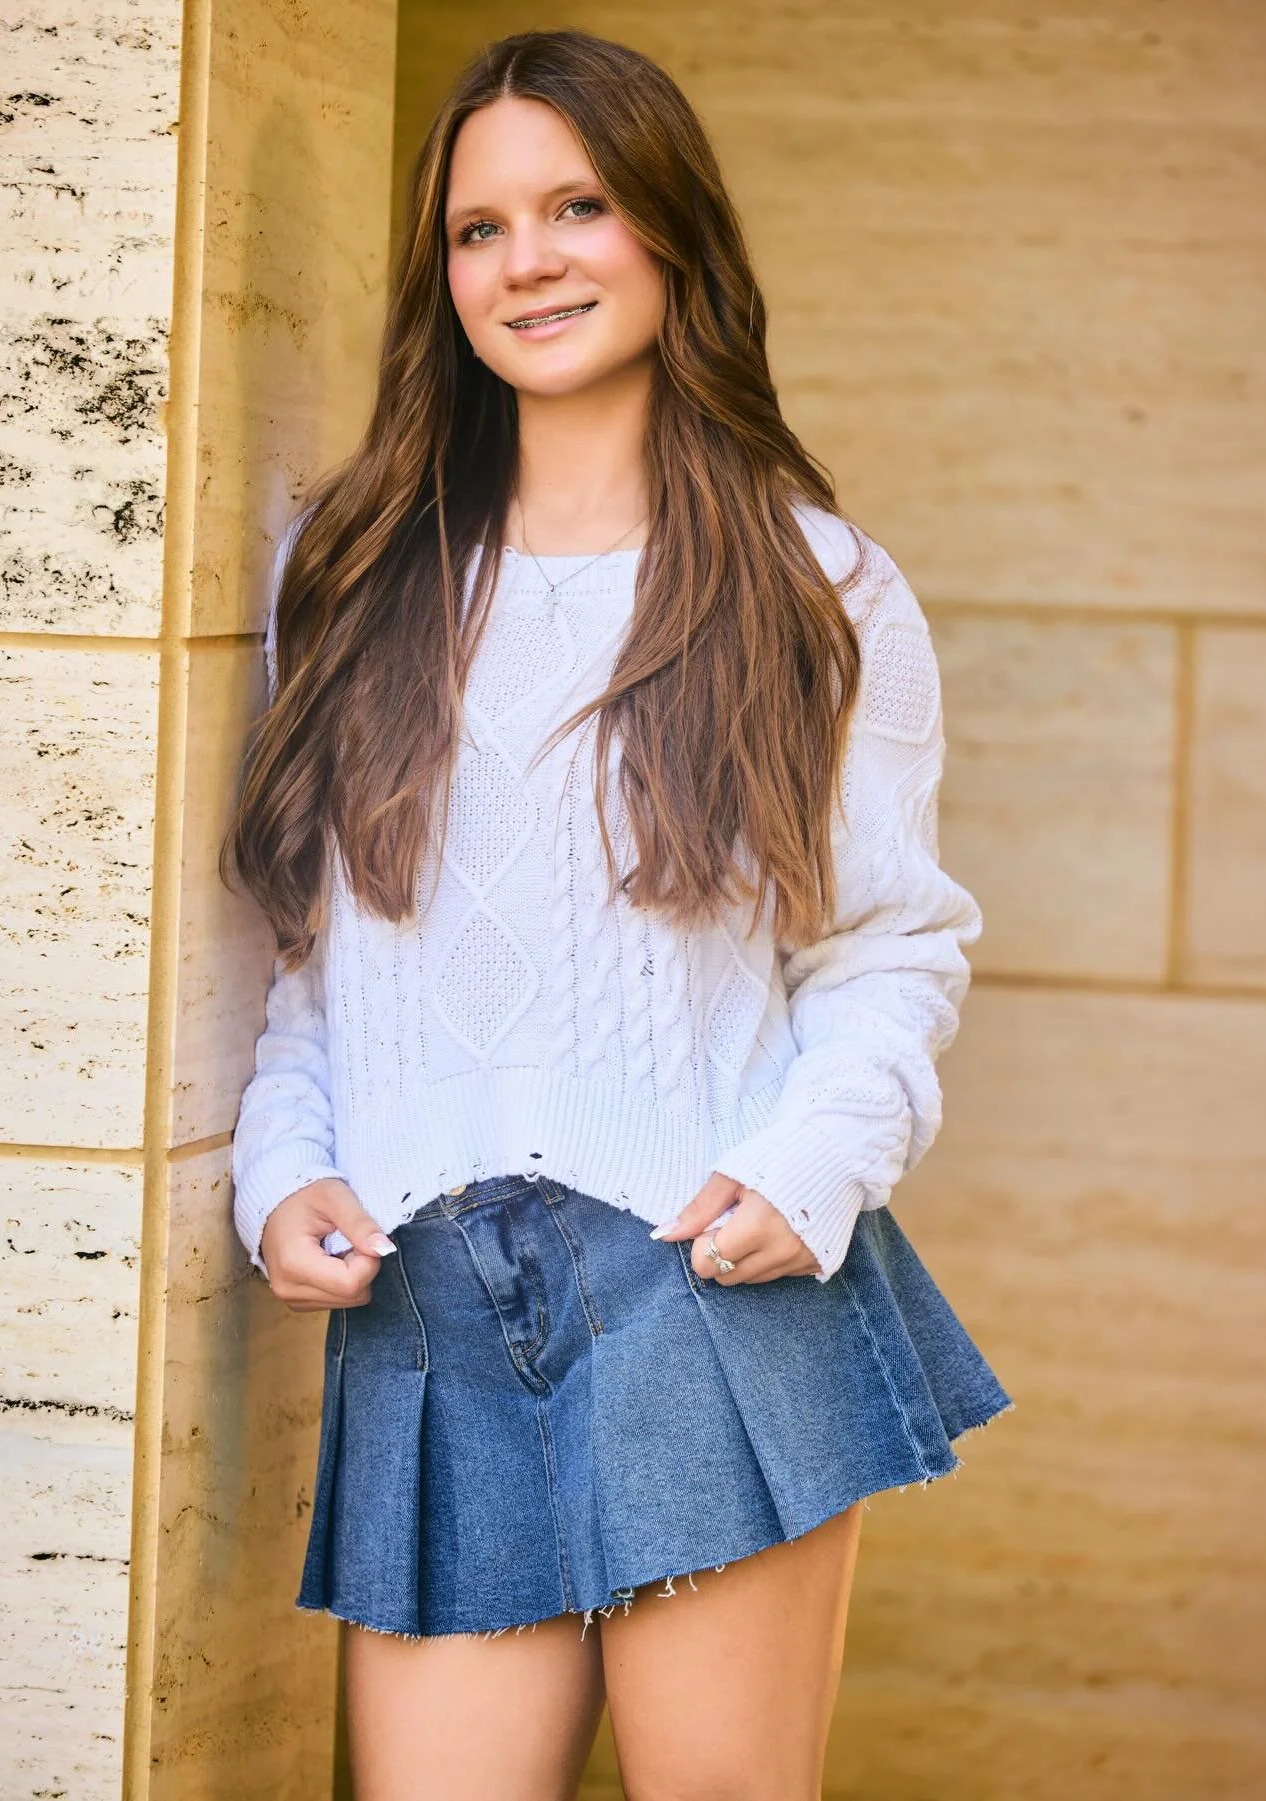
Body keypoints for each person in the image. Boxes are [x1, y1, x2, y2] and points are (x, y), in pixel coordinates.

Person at [224, 28, 1010, 1801]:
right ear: (442, 275)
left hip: (703, 1289)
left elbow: (888, 945)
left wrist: (817, 1166)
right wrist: (282, 1170)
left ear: (668, 232)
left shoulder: (818, 586)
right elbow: (312, 968)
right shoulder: (347, 579)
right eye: (478, 229)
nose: (529, 262)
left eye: (576, 206)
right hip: (422, 1309)